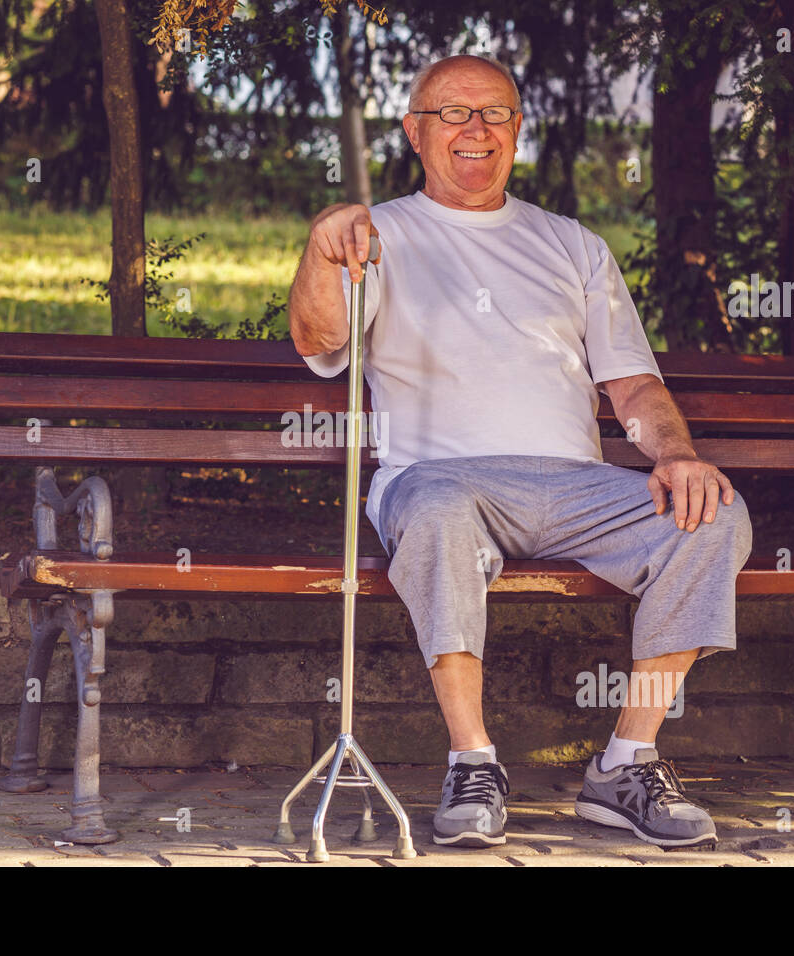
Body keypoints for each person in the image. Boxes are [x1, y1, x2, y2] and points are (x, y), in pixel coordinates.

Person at [286, 54, 752, 849]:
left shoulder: (573, 245)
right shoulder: (378, 235)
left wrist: (674, 453)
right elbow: (319, 340)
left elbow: (633, 387)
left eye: (494, 113)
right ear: (415, 132)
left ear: (517, 129)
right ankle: (473, 761)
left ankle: (626, 765)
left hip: (572, 486)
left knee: (712, 516)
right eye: (453, 113)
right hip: (436, 481)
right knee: (435, 509)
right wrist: (321, 249)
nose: (476, 129)